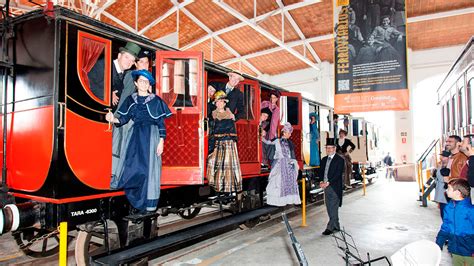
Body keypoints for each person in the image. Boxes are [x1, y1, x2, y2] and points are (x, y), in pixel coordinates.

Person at [106, 69, 172, 213]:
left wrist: (161, 142)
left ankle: (147, 203)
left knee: (148, 169)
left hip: (151, 137)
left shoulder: (156, 101)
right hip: (135, 136)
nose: (143, 83)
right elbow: (124, 119)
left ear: (149, 85)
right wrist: (113, 119)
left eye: (146, 81)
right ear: (136, 83)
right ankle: (135, 198)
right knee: (132, 166)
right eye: (141, 81)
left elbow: (161, 122)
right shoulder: (130, 99)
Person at [206, 90, 242, 196]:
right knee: (215, 165)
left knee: (228, 167)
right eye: (217, 101)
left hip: (228, 144)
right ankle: (217, 189)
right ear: (215, 103)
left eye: (221, 101)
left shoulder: (230, 115)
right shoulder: (212, 115)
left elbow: (233, 132)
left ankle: (229, 190)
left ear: (225, 102)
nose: (220, 103)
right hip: (217, 143)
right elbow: (211, 131)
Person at [88, 42, 140, 108]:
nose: (129, 62)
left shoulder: (126, 74)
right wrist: (107, 94)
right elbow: (88, 82)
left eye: (132, 60)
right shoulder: (104, 64)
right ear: (119, 56)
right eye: (126, 57)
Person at [435, 179, 474, 266]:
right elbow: (445, 227)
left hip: (469, 248)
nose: (446, 190)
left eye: (449, 188)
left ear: (457, 192)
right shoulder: (448, 207)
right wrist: (439, 242)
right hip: (455, 248)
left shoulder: (470, 210)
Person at [261, 123, 301, 206]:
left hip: (288, 165)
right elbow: (268, 143)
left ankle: (287, 199)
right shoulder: (277, 141)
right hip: (280, 164)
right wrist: (261, 138)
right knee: (277, 181)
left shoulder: (290, 143)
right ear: (284, 132)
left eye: (290, 133)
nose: (290, 135)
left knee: (288, 182)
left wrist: (294, 163)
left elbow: (292, 155)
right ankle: (278, 200)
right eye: (289, 133)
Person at [320, 138, 345, 235]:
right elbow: (321, 172)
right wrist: (322, 181)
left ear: (335, 149)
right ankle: (336, 225)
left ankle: (330, 228)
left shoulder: (340, 160)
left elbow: (338, 174)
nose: (329, 150)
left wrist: (328, 182)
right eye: (327, 148)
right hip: (326, 187)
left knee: (333, 207)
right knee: (329, 207)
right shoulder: (324, 159)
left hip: (335, 187)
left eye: (330, 148)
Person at [433, 150, 451, 219]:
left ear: (448, 158)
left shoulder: (448, 167)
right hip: (441, 192)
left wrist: (439, 168)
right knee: (443, 212)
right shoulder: (442, 165)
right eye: (441, 156)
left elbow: (442, 179)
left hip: (444, 193)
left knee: (445, 213)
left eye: (443, 156)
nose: (441, 158)